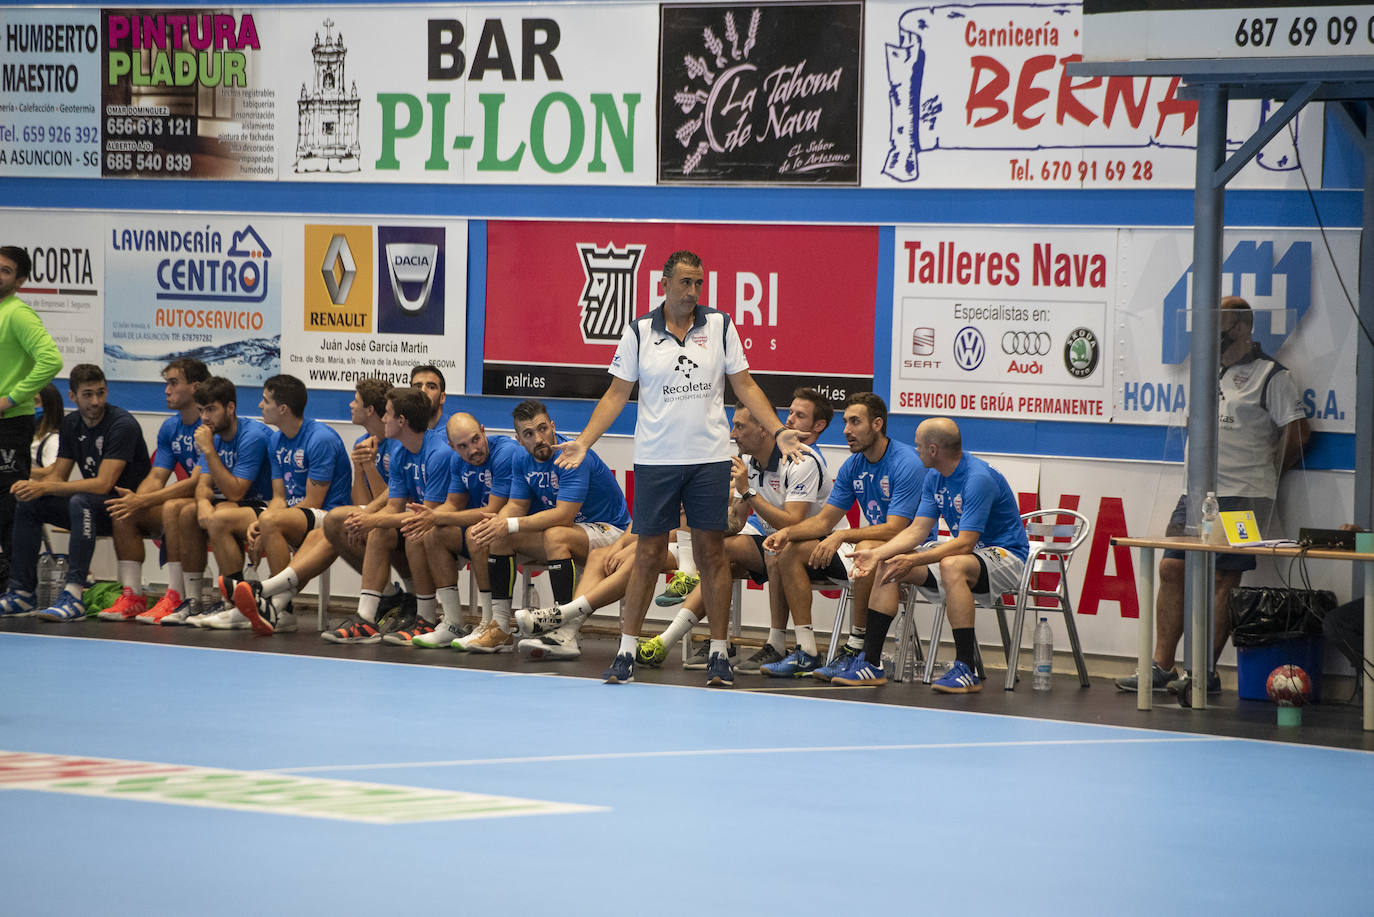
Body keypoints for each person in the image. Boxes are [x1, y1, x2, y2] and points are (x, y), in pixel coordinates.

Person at [555, 249, 800, 686]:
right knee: (648, 554)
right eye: (685, 282)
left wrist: (778, 429)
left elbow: (745, 384)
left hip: (709, 461)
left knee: (711, 555)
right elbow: (616, 394)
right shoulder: (639, 332)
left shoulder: (720, 325)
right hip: (656, 461)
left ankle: (719, 655)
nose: (692, 291)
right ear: (664, 284)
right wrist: (585, 442)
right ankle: (626, 652)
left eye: (699, 283)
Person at [1117, 296, 1310, 694]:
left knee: (1224, 576)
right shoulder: (1206, 372)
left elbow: (1298, 432)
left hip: (1243, 494)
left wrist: (1268, 473)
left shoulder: (1271, 375)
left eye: (1217, 326)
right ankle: (1162, 666)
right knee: (1171, 568)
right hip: (1196, 492)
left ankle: (1202, 672)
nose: (1208, 336)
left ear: (1240, 328)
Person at [634, 402, 833, 676]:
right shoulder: (749, 462)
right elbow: (737, 522)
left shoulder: (801, 460)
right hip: (772, 541)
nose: (732, 433)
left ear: (763, 430)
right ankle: (707, 643)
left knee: (755, 551)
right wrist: (699, 522)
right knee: (718, 550)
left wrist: (748, 491)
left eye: (739, 426)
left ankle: (767, 644)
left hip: (816, 545)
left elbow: (793, 524)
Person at [241, 387, 448, 638]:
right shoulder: (397, 450)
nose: (383, 419)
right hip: (404, 522)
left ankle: (268, 593)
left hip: (437, 527)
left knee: (318, 523)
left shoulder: (435, 451)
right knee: (344, 524)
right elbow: (387, 503)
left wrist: (371, 516)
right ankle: (363, 615)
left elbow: (428, 515)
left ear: (401, 420)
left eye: (388, 414)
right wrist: (367, 511)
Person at [852, 417, 1030, 694]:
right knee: (889, 564)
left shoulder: (977, 479)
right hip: (967, 554)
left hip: (1006, 555)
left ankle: (965, 668)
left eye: (919, 445)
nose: (916, 450)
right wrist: (877, 554)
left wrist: (914, 559)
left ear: (933, 449)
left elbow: (964, 544)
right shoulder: (935, 476)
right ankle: (870, 663)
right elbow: (919, 529)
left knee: (952, 564)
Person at [760, 392, 927, 683]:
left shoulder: (905, 462)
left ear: (877, 424)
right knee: (789, 551)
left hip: (912, 549)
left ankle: (857, 647)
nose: (847, 430)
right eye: (846, 422)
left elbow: (897, 528)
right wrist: (787, 533)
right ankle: (806, 650)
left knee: (864, 548)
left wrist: (841, 536)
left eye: (855, 422)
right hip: (872, 547)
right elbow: (824, 521)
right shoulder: (853, 465)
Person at [223, 378, 404, 633]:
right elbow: (363, 503)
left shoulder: (392, 444)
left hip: (343, 514)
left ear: (371, 410)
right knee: (236, 518)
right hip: (349, 517)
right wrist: (359, 465)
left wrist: (371, 466)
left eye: (356, 400)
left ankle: (268, 596)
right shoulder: (360, 442)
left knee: (316, 524)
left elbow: (388, 500)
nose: (351, 404)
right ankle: (273, 603)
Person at [465, 399, 631, 653]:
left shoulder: (572, 456)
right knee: (500, 537)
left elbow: (564, 515)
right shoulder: (521, 458)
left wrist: (509, 523)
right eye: (529, 434)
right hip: (573, 532)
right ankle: (500, 627)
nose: (539, 438)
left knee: (554, 535)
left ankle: (561, 630)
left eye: (543, 429)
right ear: (519, 439)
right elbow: (517, 506)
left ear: (553, 427)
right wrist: (498, 523)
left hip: (611, 531)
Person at [0, 364, 151, 620]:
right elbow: (58, 475)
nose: (96, 401)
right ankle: (22, 592)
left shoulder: (121, 424)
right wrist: (28, 484)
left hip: (128, 509)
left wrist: (46, 485)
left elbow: (104, 484)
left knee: (81, 502)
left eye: (101, 393)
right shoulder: (71, 424)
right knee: (29, 502)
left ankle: (74, 594)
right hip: (94, 508)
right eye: (88, 394)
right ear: (73, 396)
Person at [202, 374, 351, 630]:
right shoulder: (275, 439)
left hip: (327, 515)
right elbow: (279, 496)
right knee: (220, 519)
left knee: (271, 520)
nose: (260, 405)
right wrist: (263, 522)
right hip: (292, 512)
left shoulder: (320, 438)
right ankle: (240, 604)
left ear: (283, 408)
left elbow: (313, 502)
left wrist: (270, 521)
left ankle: (281, 610)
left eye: (265, 400)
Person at [102, 358, 210, 623]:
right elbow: (156, 475)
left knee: (173, 508)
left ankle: (175, 595)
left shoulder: (209, 425)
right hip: (186, 502)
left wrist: (145, 499)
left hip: (214, 501)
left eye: (173, 383)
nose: (166, 390)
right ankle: (132, 596)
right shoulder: (171, 427)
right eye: (167, 383)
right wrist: (136, 500)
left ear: (195, 387)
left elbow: (195, 483)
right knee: (123, 511)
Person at [168, 377, 275, 626]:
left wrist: (208, 450)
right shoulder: (213, 436)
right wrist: (203, 505)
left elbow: (236, 491)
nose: (205, 417)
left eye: (211, 409)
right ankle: (195, 601)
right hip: (234, 505)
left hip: (266, 504)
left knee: (222, 514)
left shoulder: (252, 435)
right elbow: (203, 485)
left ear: (230, 408)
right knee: (187, 513)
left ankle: (234, 601)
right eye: (201, 410)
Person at [408, 412, 520, 648]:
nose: (472, 450)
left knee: (476, 533)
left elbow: (493, 510)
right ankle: (453, 623)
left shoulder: (505, 453)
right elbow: (454, 503)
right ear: (452, 447)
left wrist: (438, 515)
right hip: (484, 529)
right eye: (462, 446)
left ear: (483, 430)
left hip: (512, 530)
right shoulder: (457, 461)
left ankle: (492, 623)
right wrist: (431, 518)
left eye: (476, 440)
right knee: (431, 533)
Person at [0, 246, 63, 580]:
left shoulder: (18, 314)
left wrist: (11, 397)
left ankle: (16, 585)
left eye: (6, 271)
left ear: (20, 280)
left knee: (9, 506)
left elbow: (51, 360)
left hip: (9, 424)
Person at [30, 383, 64, 481]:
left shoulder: (53, 440)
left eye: (35, 402)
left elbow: (55, 471)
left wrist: (19, 471)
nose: (30, 406)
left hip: (34, 493)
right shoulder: (27, 435)